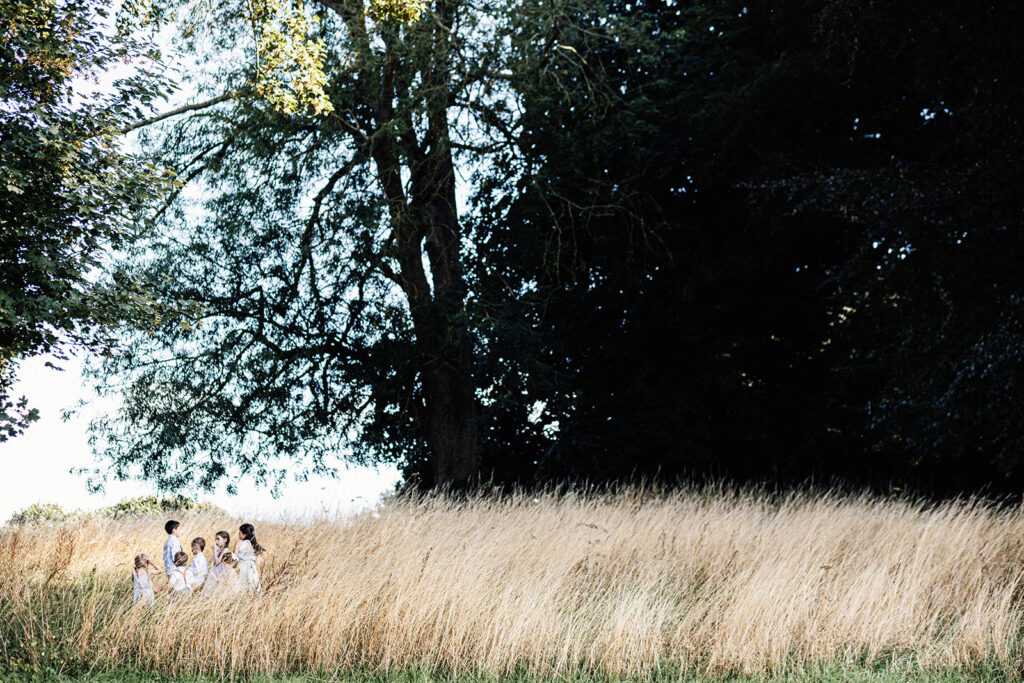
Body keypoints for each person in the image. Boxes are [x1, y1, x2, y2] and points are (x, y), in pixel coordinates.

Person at [234, 523, 263, 594]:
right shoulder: (255, 545)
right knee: (253, 589)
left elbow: (234, 557)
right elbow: (257, 562)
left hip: (241, 568)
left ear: (244, 534)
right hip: (252, 569)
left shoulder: (238, 543)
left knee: (240, 588)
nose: (238, 534)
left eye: (240, 532)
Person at [205, 530, 231, 596]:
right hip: (215, 573)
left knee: (218, 592)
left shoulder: (225, 550)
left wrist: (214, 550)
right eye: (215, 539)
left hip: (221, 575)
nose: (216, 541)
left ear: (225, 540)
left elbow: (217, 562)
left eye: (218, 539)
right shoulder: (219, 550)